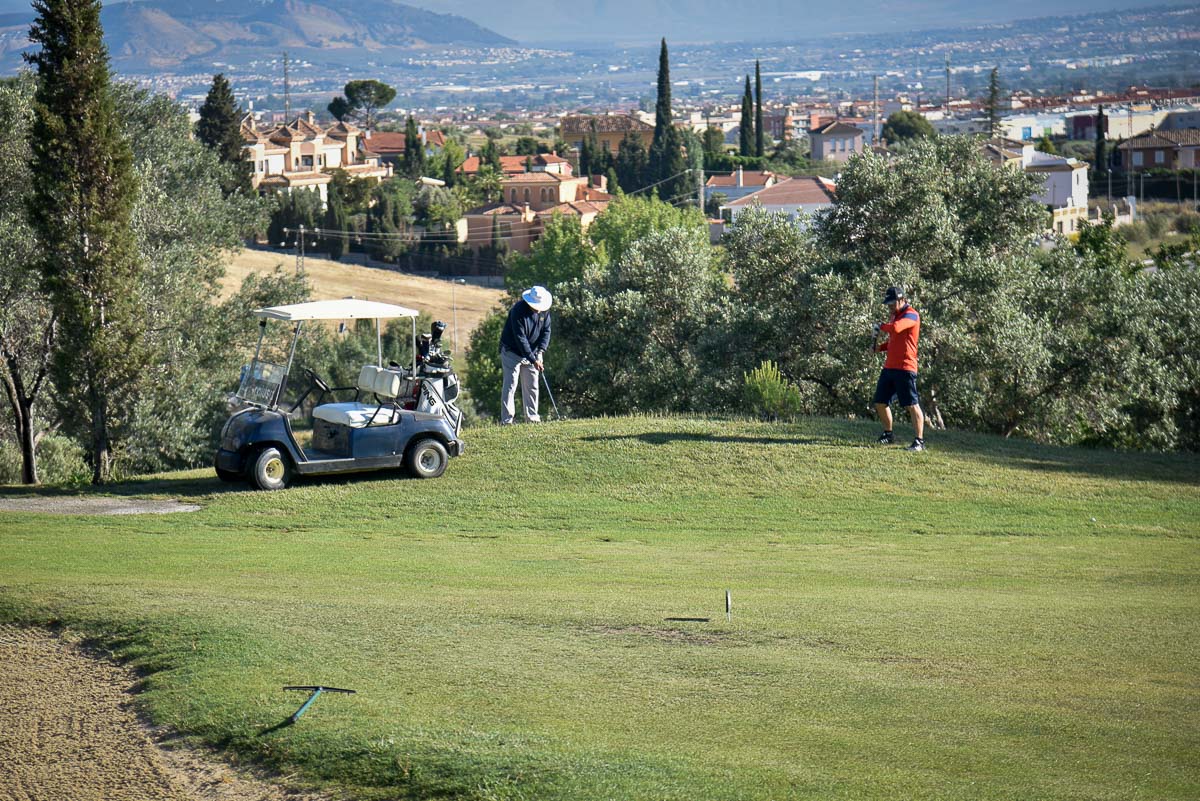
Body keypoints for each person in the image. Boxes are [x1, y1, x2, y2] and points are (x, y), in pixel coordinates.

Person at [871, 285, 925, 451]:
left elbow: (896, 329)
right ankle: (888, 434)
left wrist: (880, 326)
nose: (891, 307)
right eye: (889, 304)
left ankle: (919, 441)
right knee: (880, 401)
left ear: (902, 300)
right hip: (890, 367)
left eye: (893, 303)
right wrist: (879, 348)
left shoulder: (911, 315)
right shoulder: (895, 316)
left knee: (911, 404)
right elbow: (895, 341)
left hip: (905, 367)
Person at [499, 285, 552, 424]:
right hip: (512, 352)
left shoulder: (544, 311)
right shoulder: (518, 311)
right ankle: (507, 420)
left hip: (533, 353)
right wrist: (533, 359)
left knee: (532, 385)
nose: (538, 308)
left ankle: (532, 418)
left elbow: (546, 331)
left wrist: (540, 352)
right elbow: (520, 339)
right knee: (511, 385)